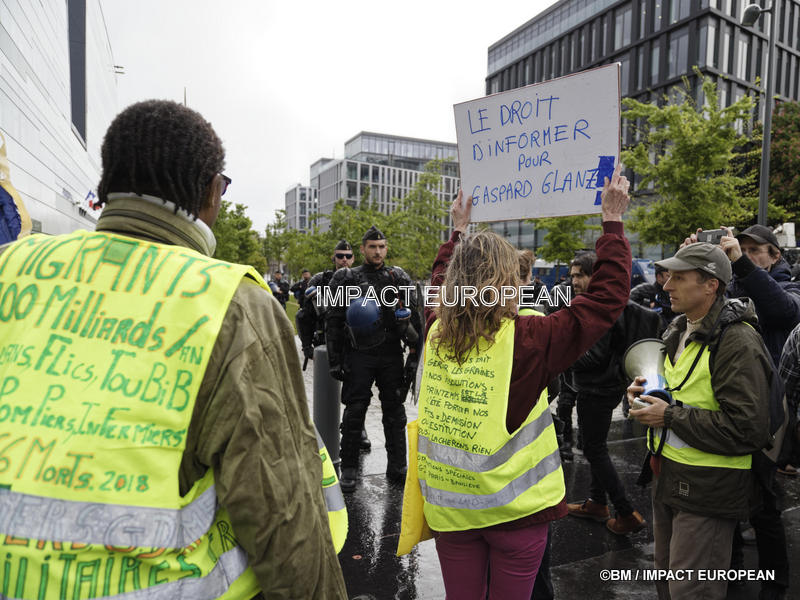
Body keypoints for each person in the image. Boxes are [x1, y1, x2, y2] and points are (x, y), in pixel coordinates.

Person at [0, 100, 347, 599]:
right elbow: (282, 515)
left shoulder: (14, 264)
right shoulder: (230, 303)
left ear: (108, 183)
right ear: (212, 190)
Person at [416, 164, 632, 600]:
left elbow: (440, 285)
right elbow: (605, 300)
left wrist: (458, 233)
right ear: (507, 282)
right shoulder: (531, 338)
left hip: (452, 512)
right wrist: (612, 222)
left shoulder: (435, 329)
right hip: (516, 517)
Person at [628, 242, 771, 600]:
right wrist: (641, 395)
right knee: (668, 582)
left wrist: (669, 415)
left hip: (708, 489)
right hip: (669, 479)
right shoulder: (679, 328)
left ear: (711, 285)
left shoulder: (737, 340)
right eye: (667, 276)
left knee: (692, 590)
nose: (666, 285)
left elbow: (748, 428)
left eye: (679, 277)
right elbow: (677, 393)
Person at [566, 252, 662, 534]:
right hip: (607, 384)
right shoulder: (608, 301)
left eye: (579, 275)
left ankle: (625, 511)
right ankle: (597, 502)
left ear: (594, 275)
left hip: (596, 386)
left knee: (593, 448)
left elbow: (594, 355)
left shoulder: (597, 307)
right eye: (572, 275)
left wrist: (562, 353)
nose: (573, 281)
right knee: (595, 444)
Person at [326, 225, 421, 492]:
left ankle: (398, 466)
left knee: (395, 413)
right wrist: (334, 359)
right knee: (355, 412)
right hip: (359, 354)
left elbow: (416, 324)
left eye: (381, 247)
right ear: (363, 249)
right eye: (372, 247)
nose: (377, 251)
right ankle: (349, 469)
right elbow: (333, 320)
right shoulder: (347, 278)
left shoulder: (398, 278)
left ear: (386, 248)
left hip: (391, 353)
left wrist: (413, 363)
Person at [297, 240, 371, 450]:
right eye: (340, 256)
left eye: (348, 256)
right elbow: (304, 316)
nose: (344, 260)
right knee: (326, 393)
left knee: (358, 390)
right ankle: (324, 432)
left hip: (355, 344)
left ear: (354, 258)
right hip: (327, 343)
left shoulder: (361, 279)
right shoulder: (320, 280)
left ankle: (358, 429)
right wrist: (306, 347)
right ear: (333, 258)